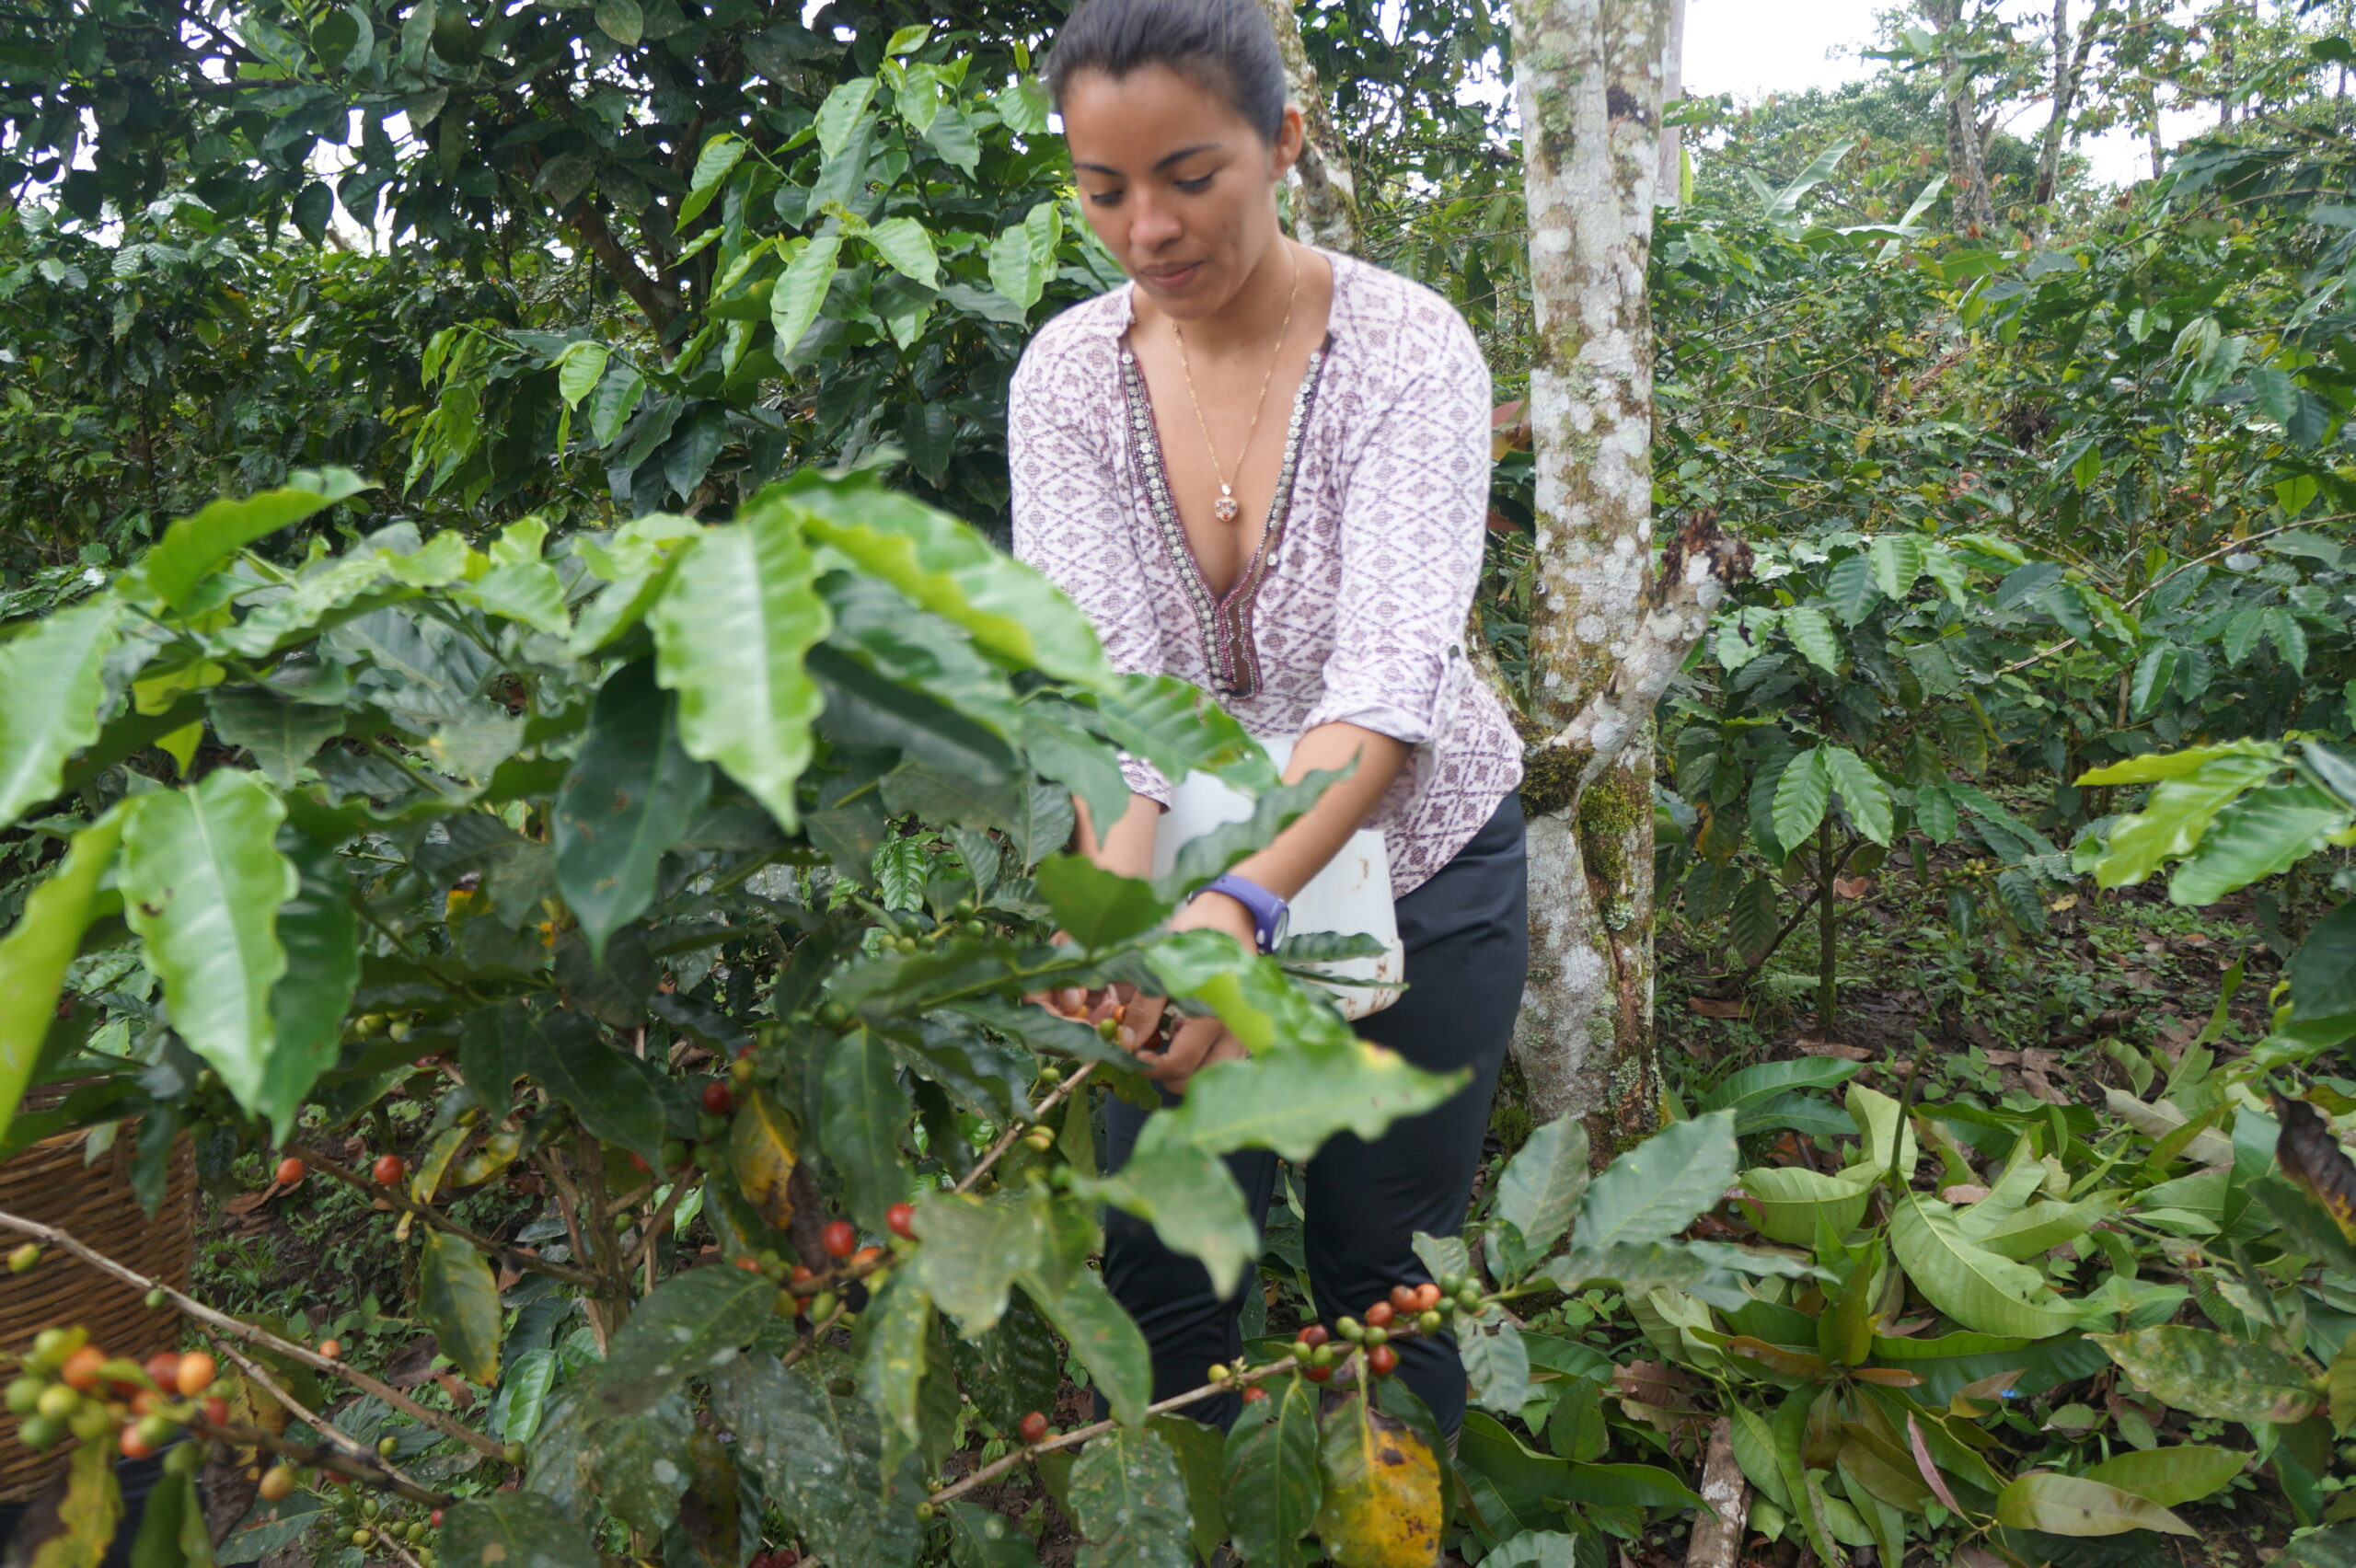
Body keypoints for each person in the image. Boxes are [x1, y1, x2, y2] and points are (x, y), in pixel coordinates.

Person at [1008, 0, 1527, 1439]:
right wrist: (1126, 936)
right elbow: (1109, 692)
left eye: (1191, 177)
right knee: (1166, 1269)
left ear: (1283, 142)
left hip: (1419, 866)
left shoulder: (1408, 352)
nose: (1148, 229)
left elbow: (1386, 683)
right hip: (1181, 877)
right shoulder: (1068, 380)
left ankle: (1396, 1520)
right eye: (1103, 189)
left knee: (1385, 1276)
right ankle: (1184, 1519)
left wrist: (1239, 915)